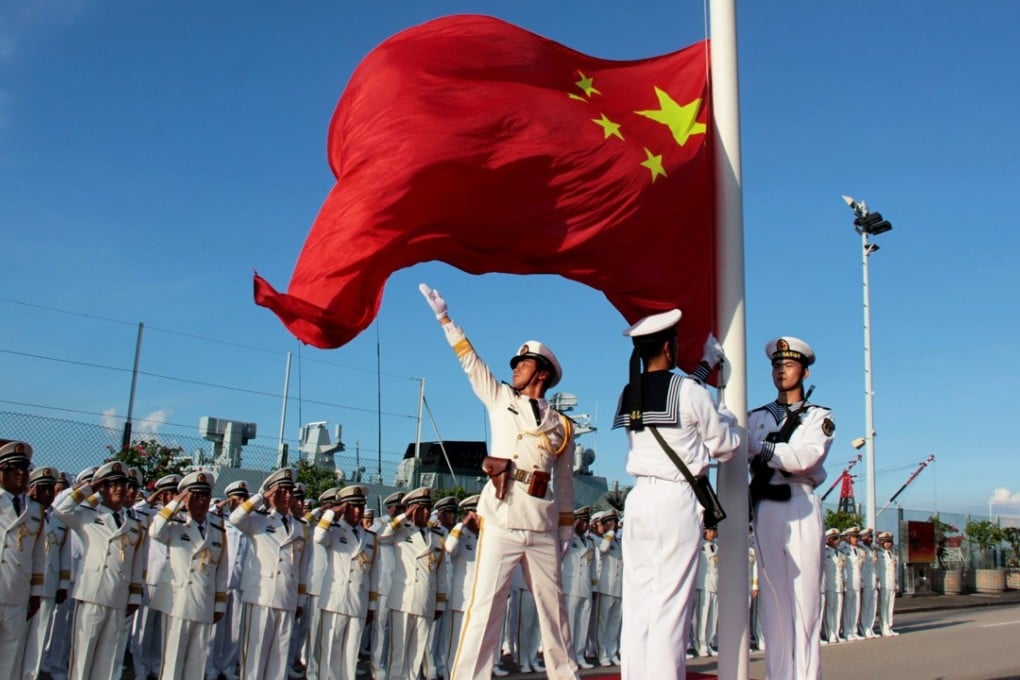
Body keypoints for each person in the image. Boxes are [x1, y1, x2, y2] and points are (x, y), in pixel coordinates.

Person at [419, 283, 578, 680]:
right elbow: (471, 363)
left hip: (542, 524)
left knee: (554, 611)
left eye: (523, 364)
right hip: (503, 519)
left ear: (541, 373)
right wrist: (445, 319)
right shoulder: (500, 398)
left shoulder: (562, 426)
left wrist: (565, 529)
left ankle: (565, 674)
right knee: (485, 608)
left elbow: (565, 484)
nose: (514, 369)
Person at [612, 309, 739, 680]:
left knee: (638, 602)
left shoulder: (629, 391)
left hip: (639, 500)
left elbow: (676, 392)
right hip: (676, 500)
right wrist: (727, 418)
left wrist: (703, 364)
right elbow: (725, 447)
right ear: (669, 347)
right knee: (671, 605)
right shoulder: (689, 392)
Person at [748, 336, 834, 680]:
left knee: (806, 603)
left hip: (800, 502)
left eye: (788, 364)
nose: (780, 370)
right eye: (775, 364)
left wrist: (761, 449)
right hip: (766, 505)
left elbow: (805, 458)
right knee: (774, 603)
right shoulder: (755, 416)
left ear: (805, 372)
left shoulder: (819, 417)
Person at [54, 461, 147, 680]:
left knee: (107, 658)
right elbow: (60, 509)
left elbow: (136, 563)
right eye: (112, 484)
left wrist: (134, 595)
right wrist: (90, 488)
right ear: (103, 488)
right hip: (91, 594)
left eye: (122, 484)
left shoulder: (134, 524)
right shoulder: (87, 515)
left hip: (118, 596)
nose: (119, 488)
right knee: (83, 657)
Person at [230, 467, 310, 680]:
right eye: (280, 491)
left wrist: (300, 599)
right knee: (254, 659)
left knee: (280, 659)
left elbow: (303, 567)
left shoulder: (301, 527)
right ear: (271, 494)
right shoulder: (257, 520)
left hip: (287, 598)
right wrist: (259, 496)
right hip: (261, 598)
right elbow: (235, 518)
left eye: (289, 492)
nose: (286, 496)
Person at [149, 471, 229, 680]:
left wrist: (220, 604)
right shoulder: (176, 526)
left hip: (204, 602)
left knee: (196, 664)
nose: (201, 501)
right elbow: (154, 531)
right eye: (195, 496)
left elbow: (222, 570)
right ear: (186, 498)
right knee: (172, 664)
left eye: (205, 496)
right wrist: (175, 503)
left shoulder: (217, 529)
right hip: (178, 603)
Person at [378, 486, 447, 680]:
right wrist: (404, 516)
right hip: (403, 600)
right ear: (412, 509)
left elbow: (441, 573)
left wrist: (440, 602)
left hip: (426, 600)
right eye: (420, 507)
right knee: (398, 652)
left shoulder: (437, 537)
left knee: (417, 652)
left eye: (428, 507)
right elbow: (382, 536)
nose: (426, 512)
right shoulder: (401, 531)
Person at [314, 484, 379, 680]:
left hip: (358, 602)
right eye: (352, 506)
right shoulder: (333, 530)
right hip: (335, 600)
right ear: (345, 507)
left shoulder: (370, 537)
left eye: (360, 506)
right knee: (330, 652)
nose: (358, 511)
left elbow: (373, 574)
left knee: (351, 655)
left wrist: (372, 605)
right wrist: (332, 514)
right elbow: (318, 537)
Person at [0, 441, 46, 680]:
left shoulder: (36, 511)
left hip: (18, 592)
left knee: (9, 655)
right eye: (14, 468)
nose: (21, 473)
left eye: (25, 469)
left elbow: (39, 554)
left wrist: (36, 592)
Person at [20, 466, 71, 680]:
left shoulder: (59, 519)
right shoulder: (21, 512)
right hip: (22, 585)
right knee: (16, 638)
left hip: (48, 585)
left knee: (39, 638)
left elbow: (65, 553)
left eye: (51, 489)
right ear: (32, 489)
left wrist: (63, 585)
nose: (49, 493)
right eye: (43, 488)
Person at [207, 480, 251, 680]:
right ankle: (211, 667)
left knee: (235, 629)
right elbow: (202, 518)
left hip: (240, 583)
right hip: (221, 583)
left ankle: (228, 667)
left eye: (243, 499)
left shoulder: (249, 524)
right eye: (236, 499)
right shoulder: (219, 520)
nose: (240, 502)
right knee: (216, 629)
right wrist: (217, 507)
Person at [561, 507, 596, 670]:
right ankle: (569, 656)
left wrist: (593, 588)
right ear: (577, 521)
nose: (586, 525)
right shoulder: (566, 539)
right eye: (583, 522)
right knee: (571, 623)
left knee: (583, 622)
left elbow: (593, 567)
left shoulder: (589, 542)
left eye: (587, 522)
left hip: (586, 587)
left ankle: (580, 654)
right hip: (571, 586)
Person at [594, 509, 623, 667]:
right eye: (610, 523)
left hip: (618, 587)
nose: (615, 525)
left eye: (615, 522)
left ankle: (612, 652)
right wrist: (610, 531)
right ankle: (602, 653)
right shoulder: (599, 540)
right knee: (603, 623)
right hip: (605, 587)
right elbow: (604, 548)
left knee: (614, 623)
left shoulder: (619, 542)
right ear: (604, 525)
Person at [694, 526, 719, 658]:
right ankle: (701, 645)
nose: (712, 533)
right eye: (710, 531)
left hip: (715, 585)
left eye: (714, 531)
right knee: (702, 617)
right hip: (703, 585)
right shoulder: (699, 545)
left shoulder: (718, 546)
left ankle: (709, 643)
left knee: (713, 617)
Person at [840, 526, 864, 641]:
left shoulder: (859, 550)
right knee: (848, 607)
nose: (856, 539)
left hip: (857, 581)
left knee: (856, 606)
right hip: (848, 581)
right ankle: (847, 630)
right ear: (848, 538)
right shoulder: (843, 549)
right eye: (854, 537)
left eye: (857, 537)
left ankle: (854, 630)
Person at [822, 528, 845, 644]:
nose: (837, 541)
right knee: (830, 611)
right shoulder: (825, 552)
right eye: (835, 539)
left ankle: (836, 633)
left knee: (838, 610)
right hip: (830, 585)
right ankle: (830, 633)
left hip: (839, 586)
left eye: (838, 538)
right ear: (828, 540)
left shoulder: (840, 553)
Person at [876, 532, 899, 637]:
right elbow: (877, 570)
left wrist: (896, 583)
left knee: (890, 606)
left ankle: (889, 626)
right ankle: (884, 627)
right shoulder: (879, 554)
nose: (888, 544)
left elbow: (894, 571)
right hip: (883, 583)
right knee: (884, 607)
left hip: (891, 583)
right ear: (881, 542)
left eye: (890, 541)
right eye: (886, 542)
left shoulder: (893, 554)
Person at [858, 528, 879, 638]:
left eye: (871, 537)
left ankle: (870, 627)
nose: (870, 539)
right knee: (865, 606)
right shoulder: (861, 548)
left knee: (872, 605)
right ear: (863, 537)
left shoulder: (872, 549)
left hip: (873, 581)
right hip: (865, 581)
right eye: (868, 537)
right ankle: (864, 627)